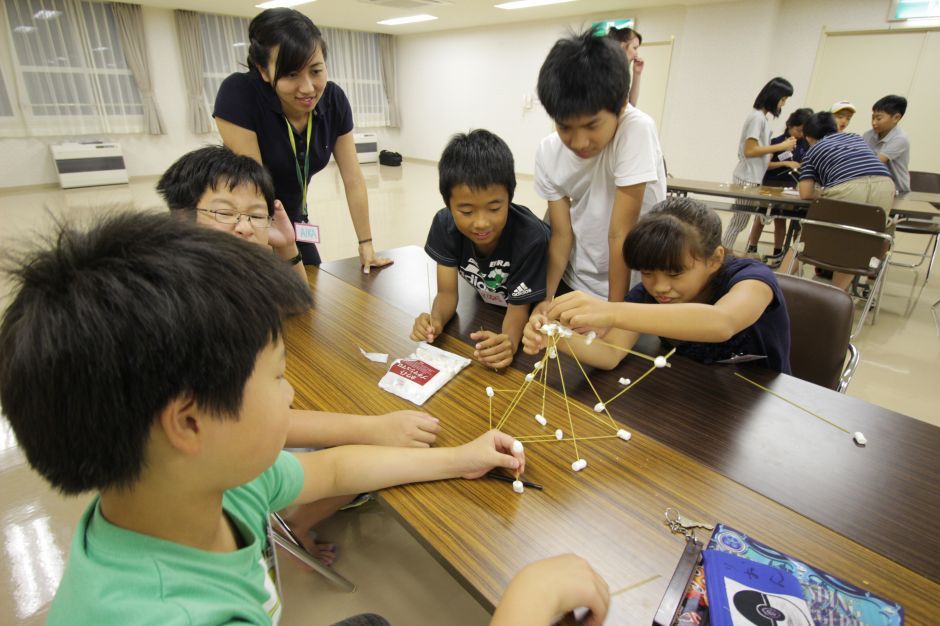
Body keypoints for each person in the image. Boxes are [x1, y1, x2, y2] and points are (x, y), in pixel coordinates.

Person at [0, 212, 610, 625]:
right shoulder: (178, 613)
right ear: (188, 423)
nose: (291, 398)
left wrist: (460, 456)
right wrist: (527, 601)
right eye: (277, 376)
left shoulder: (189, 487)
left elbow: (334, 469)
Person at [158, 145, 441, 563]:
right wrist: (372, 429)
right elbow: (267, 423)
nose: (243, 228)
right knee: (368, 438)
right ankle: (287, 525)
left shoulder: (223, 285)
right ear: (181, 219)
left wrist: (288, 247)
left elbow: (296, 309)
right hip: (218, 481)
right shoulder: (189, 317)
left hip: (225, 455)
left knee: (356, 419)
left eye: (254, 215)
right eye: (223, 212)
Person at [522, 197, 791, 375]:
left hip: (766, 405)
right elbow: (611, 352)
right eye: (648, 273)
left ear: (715, 259)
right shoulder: (647, 295)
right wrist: (556, 336)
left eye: (675, 274)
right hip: (698, 400)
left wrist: (610, 311)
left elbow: (722, 322)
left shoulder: (752, 279)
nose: (660, 287)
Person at [213, 8, 391, 272]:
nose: (308, 88)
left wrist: (366, 243)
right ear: (263, 71)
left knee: (311, 288)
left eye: (316, 71)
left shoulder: (334, 101)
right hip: (248, 223)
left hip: (294, 220)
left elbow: (353, 179)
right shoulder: (240, 94)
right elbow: (253, 188)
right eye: (291, 75)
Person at [533, 29, 667, 315]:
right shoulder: (548, 152)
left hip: (635, 287)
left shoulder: (635, 129)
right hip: (578, 281)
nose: (579, 142)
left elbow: (621, 233)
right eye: (565, 127)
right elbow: (561, 234)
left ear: (620, 106)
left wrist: (613, 313)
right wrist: (546, 298)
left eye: (592, 126)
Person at [413, 130, 550, 369]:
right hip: (489, 304)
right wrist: (434, 321)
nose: (481, 223)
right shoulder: (445, 225)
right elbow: (446, 293)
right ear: (448, 204)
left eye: (495, 208)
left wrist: (508, 342)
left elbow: (518, 310)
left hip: (536, 305)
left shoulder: (530, 238)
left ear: (509, 197)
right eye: (466, 211)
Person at [791, 111, 894, 290]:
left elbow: (805, 193)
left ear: (808, 137)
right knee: (858, 242)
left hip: (848, 188)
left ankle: (778, 285)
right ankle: (837, 297)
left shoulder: (813, 150)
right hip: (885, 185)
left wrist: (825, 194)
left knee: (808, 238)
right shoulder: (855, 138)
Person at [722, 77, 795, 250]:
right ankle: (724, 253)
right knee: (739, 222)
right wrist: (781, 146)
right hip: (746, 177)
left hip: (751, 177)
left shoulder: (761, 118)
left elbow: (756, 150)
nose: (783, 104)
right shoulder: (757, 118)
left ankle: (725, 253)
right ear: (774, 96)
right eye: (783, 99)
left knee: (740, 221)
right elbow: (750, 150)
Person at [744, 107, 814, 267]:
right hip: (770, 185)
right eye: (798, 129)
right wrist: (784, 162)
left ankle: (778, 252)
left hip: (790, 188)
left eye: (803, 131)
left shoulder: (805, 145)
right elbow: (765, 164)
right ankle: (752, 248)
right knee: (761, 217)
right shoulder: (777, 142)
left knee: (781, 220)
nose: (800, 134)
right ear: (790, 125)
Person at [862, 95, 910, 194]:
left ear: (896, 118)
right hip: (875, 187)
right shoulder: (868, 135)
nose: (874, 122)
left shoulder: (900, 139)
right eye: (873, 118)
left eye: (878, 119)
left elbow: (874, 163)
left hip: (898, 190)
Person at [606, 26, 644, 107]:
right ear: (622, 46)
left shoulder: (621, 73)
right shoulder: (603, 71)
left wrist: (637, 73)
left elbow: (630, 105)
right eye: (634, 48)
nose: (636, 53)